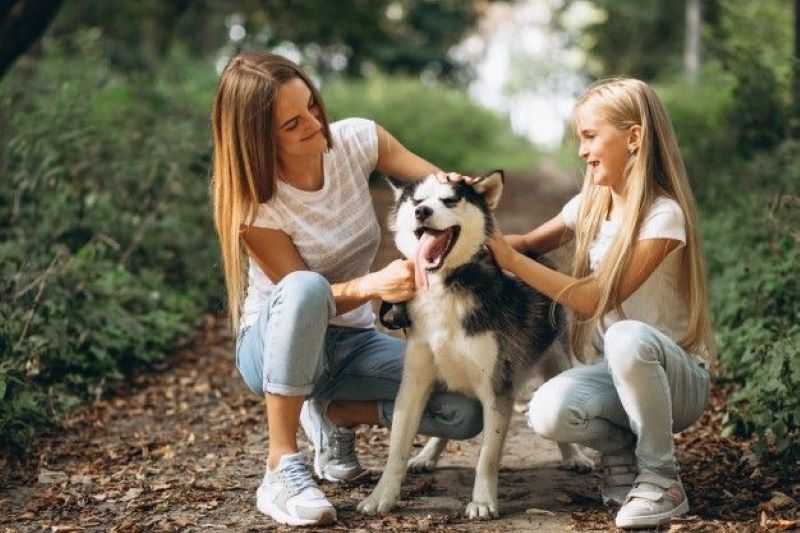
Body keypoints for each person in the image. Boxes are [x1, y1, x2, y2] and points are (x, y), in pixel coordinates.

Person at [210, 51, 482, 527]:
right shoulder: (252, 199)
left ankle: (336, 414)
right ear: (259, 142)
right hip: (274, 344)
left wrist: (460, 190)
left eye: (313, 105)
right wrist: (376, 284)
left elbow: (435, 188)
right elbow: (308, 298)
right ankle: (281, 464)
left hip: (352, 343)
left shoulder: (357, 140)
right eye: (293, 125)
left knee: (467, 407)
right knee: (305, 287)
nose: (317, 126)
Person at [485, 78, 714, 530]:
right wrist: (471, 231)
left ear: (633, 138)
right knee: (547, 411)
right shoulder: (590, 204)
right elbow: (527, 242)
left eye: (590, 136)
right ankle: (622, 455)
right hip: (618, 373)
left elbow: (592, 299)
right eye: (580, 139)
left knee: (627, 337)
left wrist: (510, 260)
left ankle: (662, 479)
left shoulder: (663, 216)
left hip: (679, 380)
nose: (581, 150)